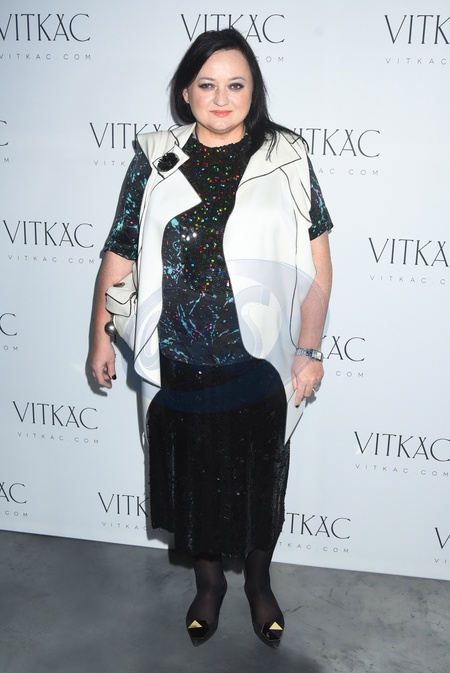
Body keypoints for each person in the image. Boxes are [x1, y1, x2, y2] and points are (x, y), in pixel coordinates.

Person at [89, 28, 333, 649]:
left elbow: (318, 264)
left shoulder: (287, 156)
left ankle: (259, 585)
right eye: (207, 85)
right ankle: (209, 586)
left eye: (236, 85)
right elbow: (119, 252)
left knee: (258, 482)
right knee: (194, 485)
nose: (221, 98)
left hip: (259, 361)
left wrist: (309, 351)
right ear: (185, 91)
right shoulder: (154, 158)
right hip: (177, 360)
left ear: (254, 92)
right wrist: (99, 339)